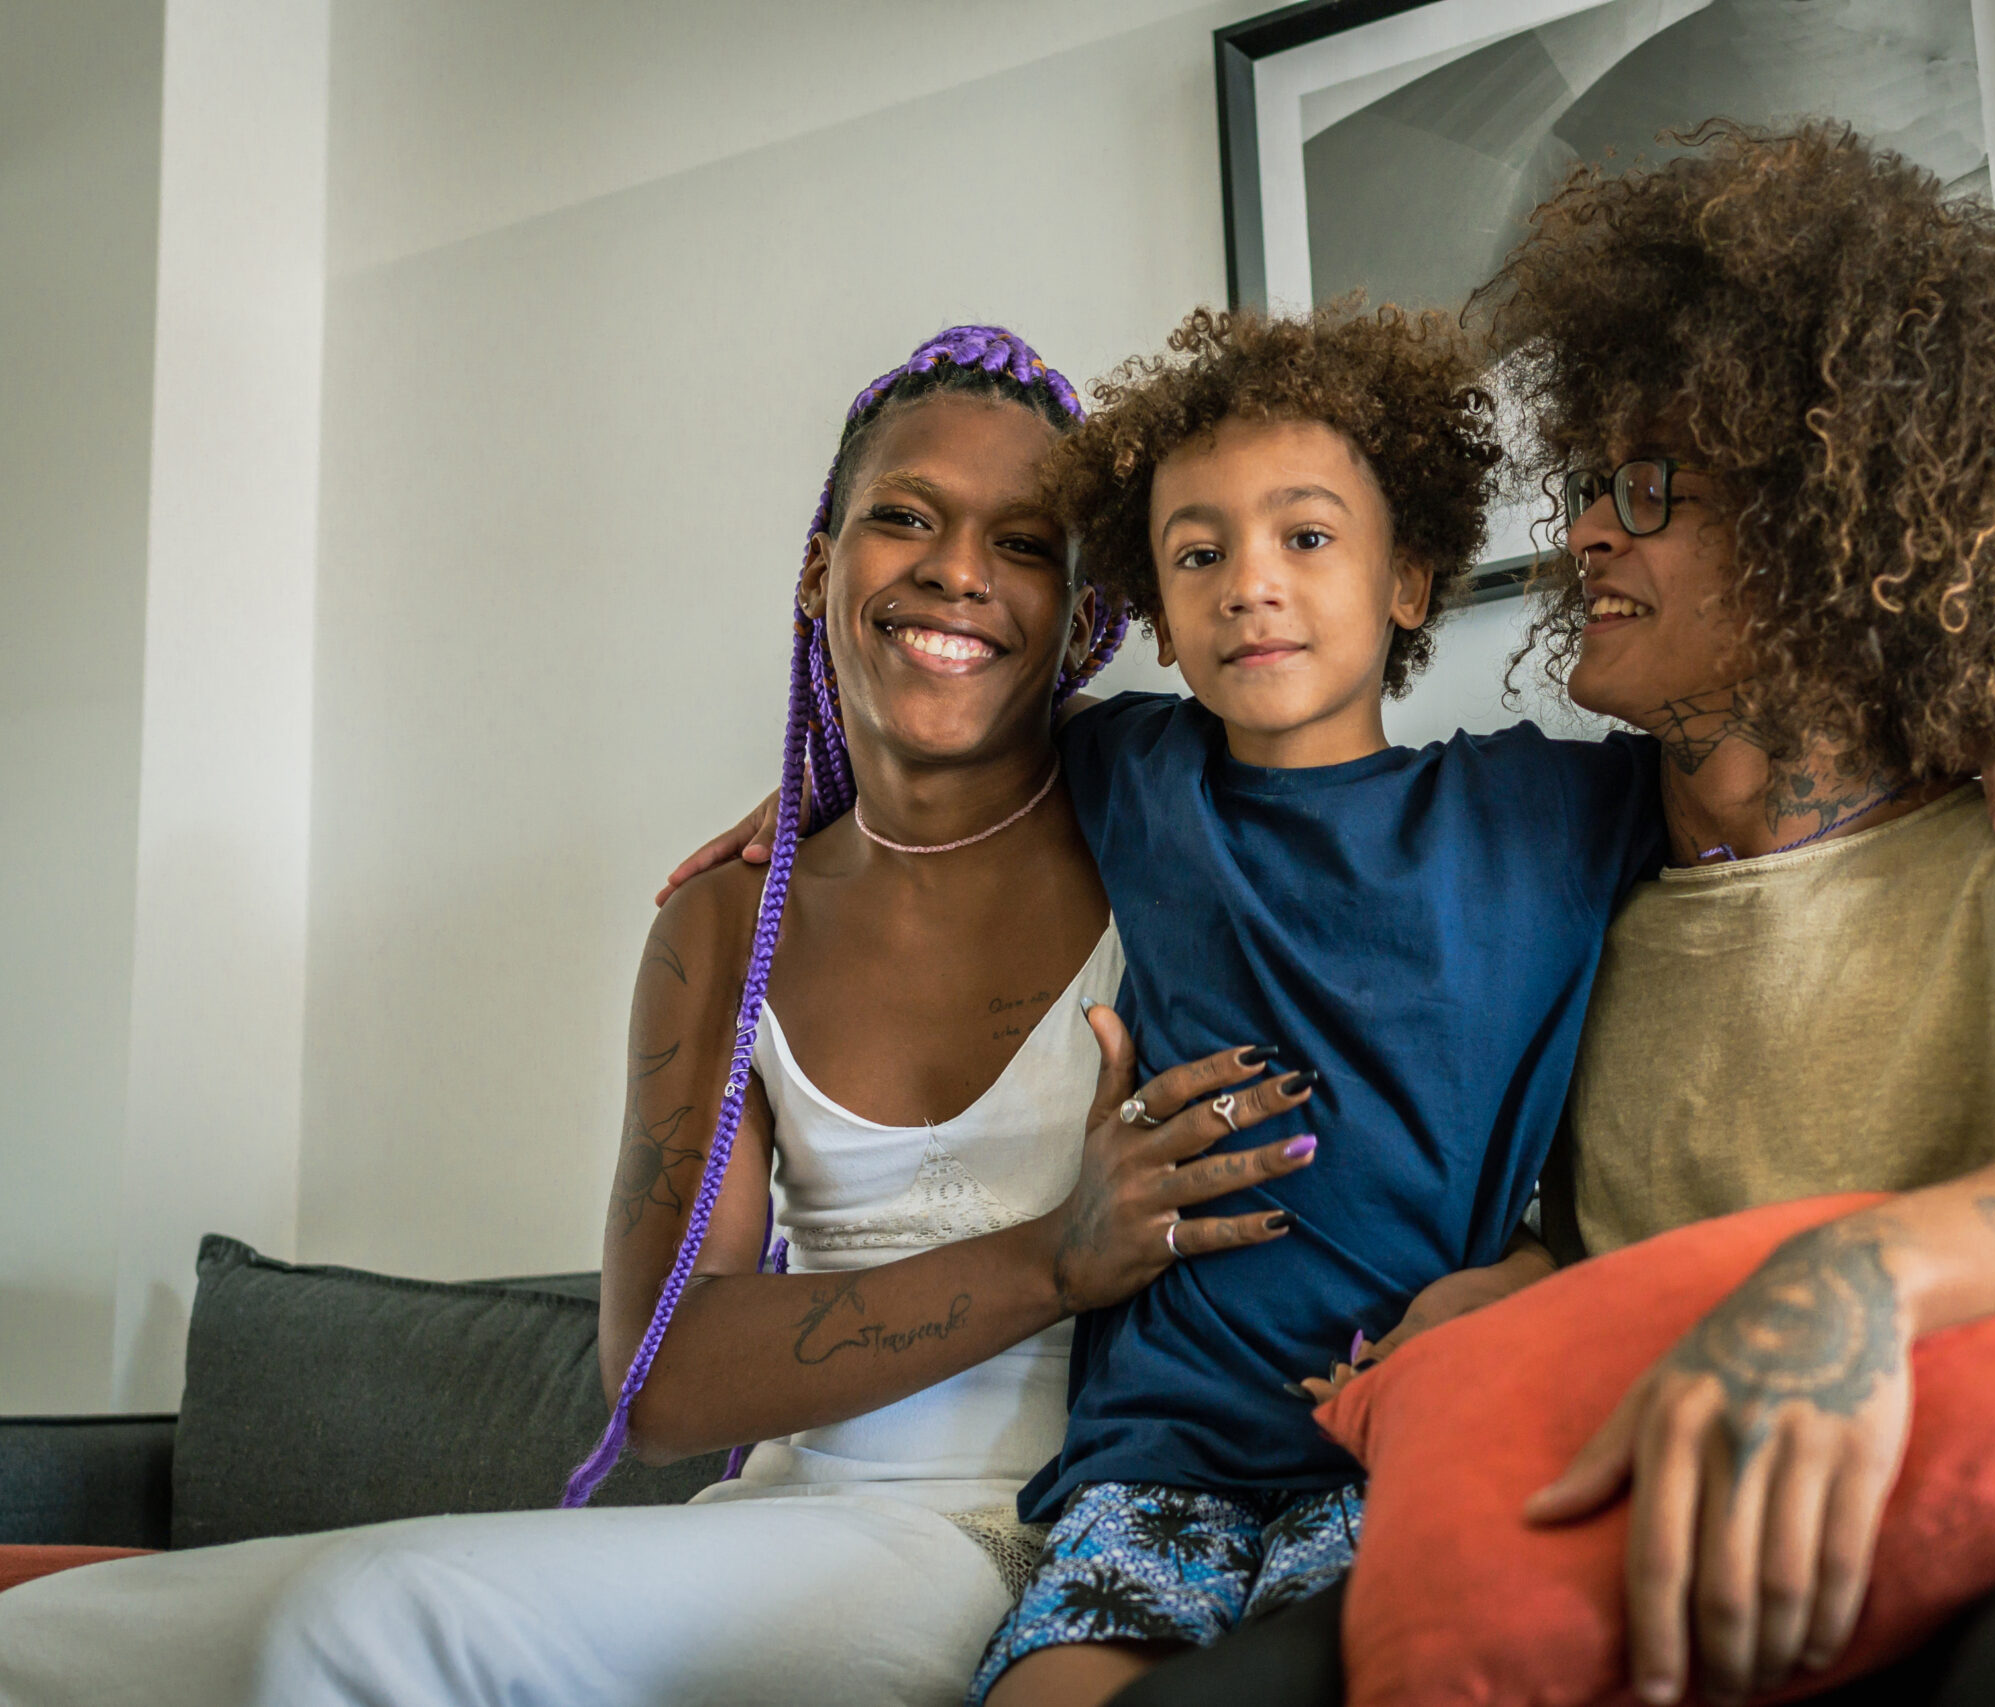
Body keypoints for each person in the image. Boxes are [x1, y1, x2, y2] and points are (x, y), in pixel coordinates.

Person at [1123, 124, 1995, 1707]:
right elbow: (1615, 1223)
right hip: (1719, 1564)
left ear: (1837, 524)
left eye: (1652, 487)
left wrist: (1851, 1282)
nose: (1589, 532)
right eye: (1592, 485)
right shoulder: (1571, 879)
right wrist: (1519, 1285)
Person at [0, 328, 1313, 1707]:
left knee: (362, 1620)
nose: (958, 569)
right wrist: (1056, 1254)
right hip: (771, 1531)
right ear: (821, 568)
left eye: (1028, 544)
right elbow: (666, 1378)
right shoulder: (726, 927)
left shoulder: (1165, 839)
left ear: (1082, 611)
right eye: (904, 517)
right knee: (45, 1639)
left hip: (1022, 1546)